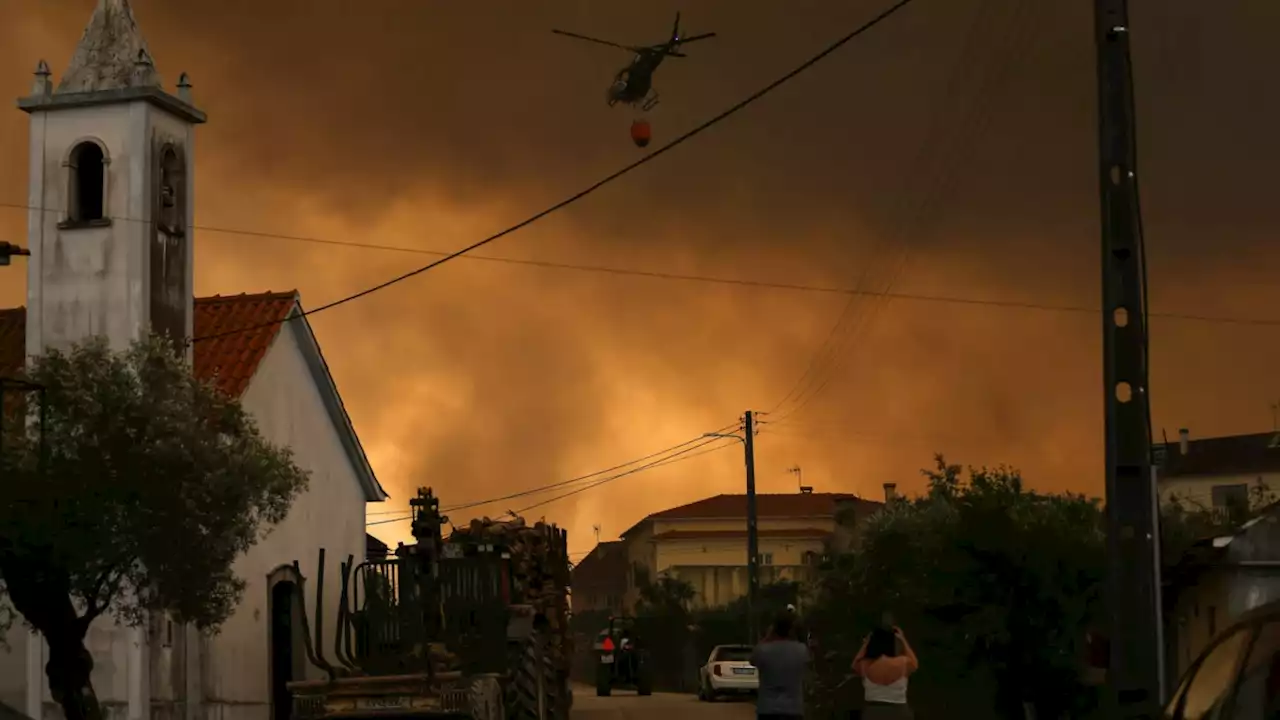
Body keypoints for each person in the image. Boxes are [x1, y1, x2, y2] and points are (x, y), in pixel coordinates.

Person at [751, 609, 810, 720]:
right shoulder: (801, 650)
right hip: (793, 710)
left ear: (773, 629)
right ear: (791, 629)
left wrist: (768, 636)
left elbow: (752, 660)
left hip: (767, 710)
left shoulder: (763, 650)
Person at [852, 624, 918, 720]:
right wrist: (903, 639)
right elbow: (915, 664)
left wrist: (866, 643)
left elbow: (854, 665)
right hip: (899, 711)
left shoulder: (865, 664)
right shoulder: (903, 662)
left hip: (873, 712)